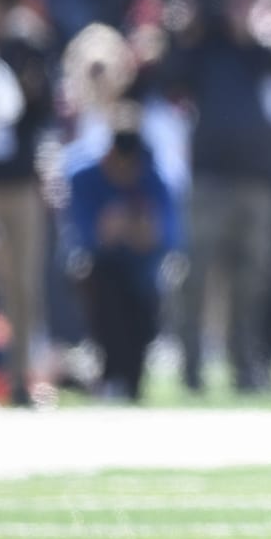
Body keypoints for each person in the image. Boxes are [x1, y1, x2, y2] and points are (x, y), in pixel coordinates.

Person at [158, 0, 271, 393]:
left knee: (253, 274)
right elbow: (168, 77)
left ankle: (246, 365)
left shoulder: (260, 45)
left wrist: (251, 29)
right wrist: (188, 28)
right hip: (210, 175)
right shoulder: (202, 46)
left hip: (257, 175)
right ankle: (191, 367)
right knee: (196, 272)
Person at [62, 110, 181, 402]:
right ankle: (109, 375)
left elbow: (167, 237)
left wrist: (131, 231)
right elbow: (85, 236)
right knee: (102, 288)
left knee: (144, 308)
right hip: (99, 269)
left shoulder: (153, 178)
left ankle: (131, 382)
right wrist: (117, 230)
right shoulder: (84, 176)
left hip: (143, 270)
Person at [0, 0, 54, 406]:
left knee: (23, 284)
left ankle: (21, 379)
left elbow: (42, 114)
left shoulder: (27, 46)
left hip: (16, 180)